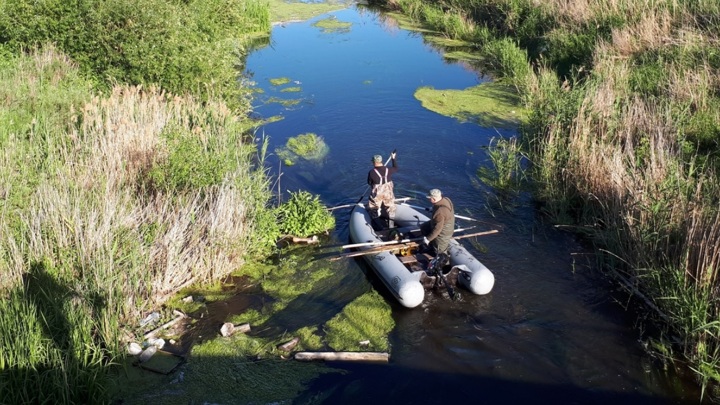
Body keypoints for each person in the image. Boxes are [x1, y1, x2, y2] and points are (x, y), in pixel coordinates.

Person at [367, 151, 398, 227]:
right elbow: (396, 168)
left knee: (373, 208)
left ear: (374, 162)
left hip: (378, 194)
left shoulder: (372, 172)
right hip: (388, 192)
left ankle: (379, 227)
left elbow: (369, 182)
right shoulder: (388, 170)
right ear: (381, 161)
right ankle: (391, 226)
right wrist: (393, 158)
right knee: (391, 208)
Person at [420, 188, 455, 254]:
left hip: (444, 231)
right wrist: (432, 209)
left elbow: (438, 229)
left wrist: (428, 239)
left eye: (430, 198)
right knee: (424, 227)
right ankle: (431, 244)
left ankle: (442, 259)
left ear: (434, 199)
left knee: (439, 251)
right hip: (439, 222)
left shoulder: (439, 212)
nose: (429, 200)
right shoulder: (446, 199)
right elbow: (439, 207)